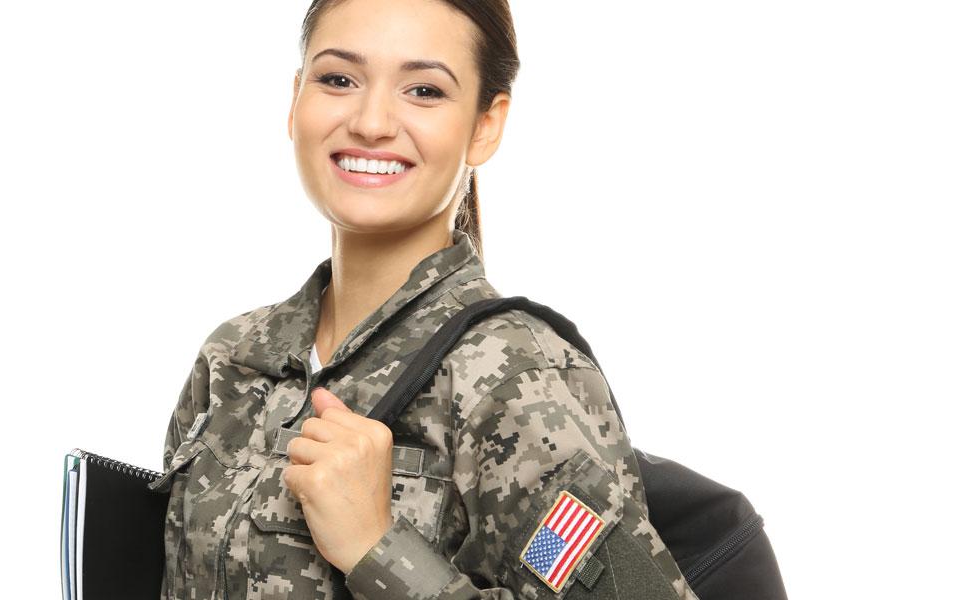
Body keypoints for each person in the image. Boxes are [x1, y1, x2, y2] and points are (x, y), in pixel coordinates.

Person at [149, 1, 700, 598]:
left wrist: (376, 546)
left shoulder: (514, 375)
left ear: (485, 125)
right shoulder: (235, 357)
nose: (371, 120)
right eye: (338, 79)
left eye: (424, 90)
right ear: (294, 100)